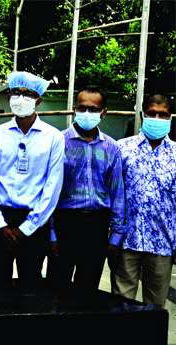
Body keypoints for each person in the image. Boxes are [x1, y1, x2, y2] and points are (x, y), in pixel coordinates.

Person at [0, 71, 64, 291]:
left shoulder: (53, 137)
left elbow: (52, 187)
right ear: (8, 96)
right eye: (16, 92)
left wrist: (27, 227)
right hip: (0, 221)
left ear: (39, 100)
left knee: (31, 289)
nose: (21, 98)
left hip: (35, 223)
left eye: (28, 94)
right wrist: (0, 224)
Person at [47, 86, 124, 295]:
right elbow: (50, 191)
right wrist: (52, 234)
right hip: (65, 224)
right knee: (56, 290)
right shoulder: (58, 142)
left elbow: (117, 193)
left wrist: (115, 237)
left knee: (87, 292)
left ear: (104, 113)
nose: (87, 114)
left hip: (97, 226)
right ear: (74, 109)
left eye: (93, 109)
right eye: (82, 108)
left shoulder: (111, 147)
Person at [111, 94, 175, 308]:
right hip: (127, 241)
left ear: (170, 118)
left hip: (163, 244)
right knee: (121, 304)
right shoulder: (122, 149)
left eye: (162, 114)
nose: (156, 118)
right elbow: (113, 193)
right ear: (142, 115)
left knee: (155, 309)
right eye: (151, 113)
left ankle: (151, 343)